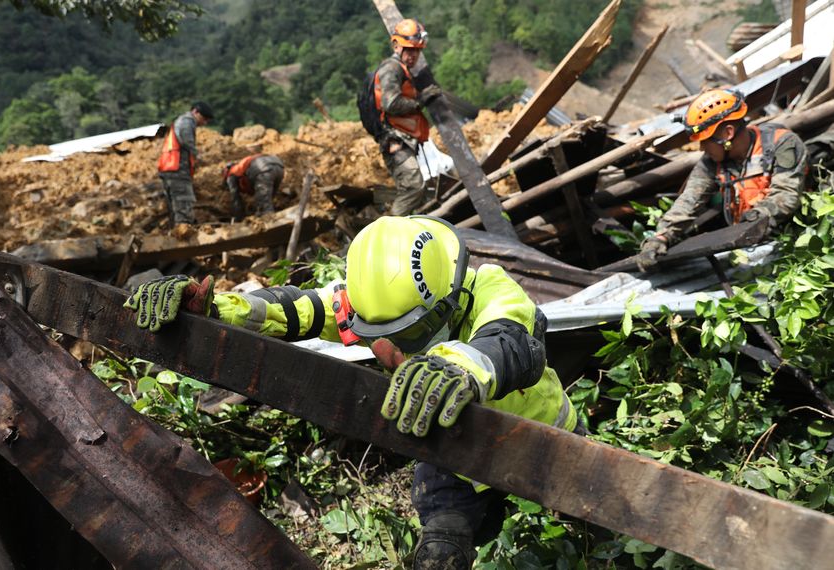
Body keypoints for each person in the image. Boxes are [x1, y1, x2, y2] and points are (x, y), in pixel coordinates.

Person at [123, 215, 578, 569]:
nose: (397, 346)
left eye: (412, 331)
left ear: (449, 296)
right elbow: (297, 310)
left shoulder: (495, 291)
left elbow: (510, 341)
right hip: (454, 453)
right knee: (441, 552)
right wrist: (214, 308)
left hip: (542, 443)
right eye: (387, 334)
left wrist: (457, 368)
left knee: (585, 538)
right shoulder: (372, 308)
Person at [636, 89, 808, 272]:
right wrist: (661, 237)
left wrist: (757, 216)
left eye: (705, 140)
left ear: (727, 133)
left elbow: (787, 196)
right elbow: (689, 201)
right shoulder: (712, 162)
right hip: (746, 246)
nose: (701, 148)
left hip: (794, 242)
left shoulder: (781, 144)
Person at [374, 19, 442, 216]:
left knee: (415, 189)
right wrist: (420, 101)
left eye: (417, 51)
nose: (413, 55)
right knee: (414, 187)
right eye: (409, 50)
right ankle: (393, 233)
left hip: (404, 140)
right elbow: (391, 103)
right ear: (396, 45)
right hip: (394, 141)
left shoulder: (403, 70)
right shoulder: (391, 69)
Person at [157, 101, 214, 226]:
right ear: (195, 112)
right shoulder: (187, 121)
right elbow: (187, 141)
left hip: (171, 168)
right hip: (177, 169)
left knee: (176, 207)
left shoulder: (182, 121)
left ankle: (177, 234)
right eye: (203, 119)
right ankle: (184, 236)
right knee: (183, 206)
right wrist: (198, 156)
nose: (204, 123)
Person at [222, 154, 285, 218]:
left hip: (263, 168)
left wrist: (238, 217)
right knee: (268, 199)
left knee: (263, 209)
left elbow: (235, 199)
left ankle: (268, 221)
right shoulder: (241, 167)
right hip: (278, 165)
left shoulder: (230, 175)